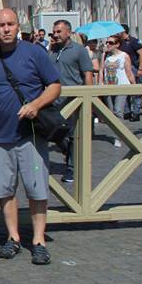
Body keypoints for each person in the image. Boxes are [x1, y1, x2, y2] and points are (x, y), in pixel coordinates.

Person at [0, 9, 61, 266]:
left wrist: (36, 104)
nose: (6, 29)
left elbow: (55, 85)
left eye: (10, 24)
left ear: (17, 26)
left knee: (36, 188)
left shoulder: (35, 52)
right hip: (0, 134)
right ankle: (13, 237)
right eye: (1, 25)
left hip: (31, 134)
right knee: (5, 189)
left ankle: (38, 241)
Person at [48, 19, 94, 182]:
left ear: (68, 32)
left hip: (74, 99)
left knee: (73, 135)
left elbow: (87, 74)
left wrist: (89, 98)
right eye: (54, 31)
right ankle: (70, 155)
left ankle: (71, 168)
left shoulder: (79, 50)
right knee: (54, 133)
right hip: (54, 100)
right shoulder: (52, 50)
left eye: (59, 31)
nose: (56, 34)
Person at [100, 34, 135, 146]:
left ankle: (118, 137)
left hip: (121, 86)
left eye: (111, 43)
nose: (108, 44)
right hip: (108, 87)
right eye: (107, 42)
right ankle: (117, 133)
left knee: (118, 112)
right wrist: (100, 83)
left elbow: (129, 72)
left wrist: (134, 85)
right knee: (110, 114)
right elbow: (101, 70)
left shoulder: (124, 56)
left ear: (117, 44)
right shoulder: (105, 56)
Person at [118, 24, 142, 122]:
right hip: (122, 69)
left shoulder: (133, 41)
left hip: (133, 67)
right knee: (124, 90)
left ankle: (136, 112)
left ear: (123, 32)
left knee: (135, 91)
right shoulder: (118, 43)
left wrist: (140, 68)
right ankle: (127, 111)